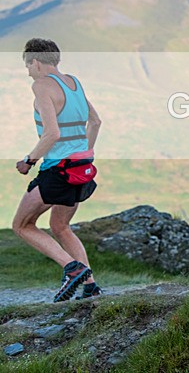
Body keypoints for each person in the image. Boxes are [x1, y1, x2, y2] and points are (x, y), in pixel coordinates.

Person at [13, 38, 103, 301]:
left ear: (36, 62)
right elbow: (95, 122)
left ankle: (72, 269)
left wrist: (29, 161)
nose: (28, 71)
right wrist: (86, 154)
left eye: (28, 65)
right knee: (61, 225)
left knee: (22, 224)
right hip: (81, 167)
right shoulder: (74, 83)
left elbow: (52, 133)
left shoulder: (41, 85)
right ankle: (90, 285)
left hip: (58, 169)